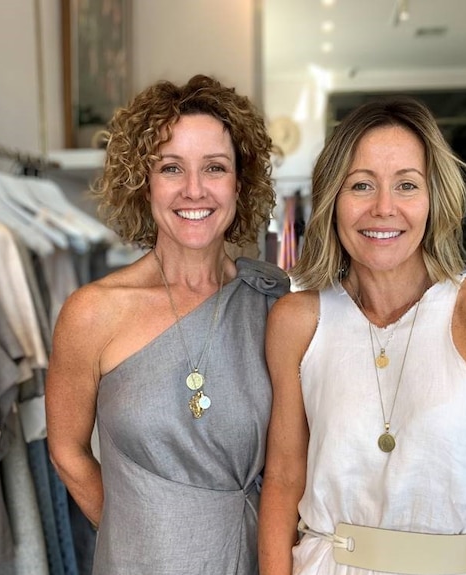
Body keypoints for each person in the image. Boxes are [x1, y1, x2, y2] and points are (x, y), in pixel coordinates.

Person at [258, 98, 466, 575]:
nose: (383, 208)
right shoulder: (297, 320)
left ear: (434, 199)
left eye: (406, 185)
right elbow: (283, 480)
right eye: (361, 185)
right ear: (332, 200)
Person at [46, 74, 290, 575]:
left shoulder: (272, 302)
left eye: (215, 168)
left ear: (239, 183)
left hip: (254, 558)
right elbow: (66, 451)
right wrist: (137, 532)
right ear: (144, 181)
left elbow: (297, 462)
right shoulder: (94, 312)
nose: (194, 190)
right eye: (171, 167)